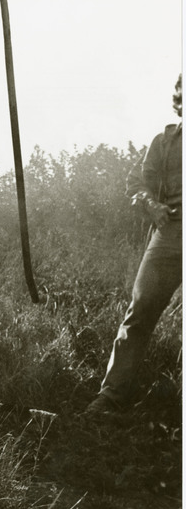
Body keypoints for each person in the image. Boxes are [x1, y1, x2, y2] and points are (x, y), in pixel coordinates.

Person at [85, 74, 182, 417]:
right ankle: (111, 398)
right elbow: (138, 183)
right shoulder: (164, 141)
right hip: (171, 231)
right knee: (139, 312)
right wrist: (149, 203)